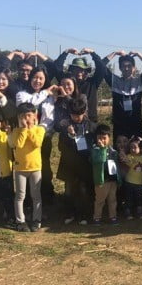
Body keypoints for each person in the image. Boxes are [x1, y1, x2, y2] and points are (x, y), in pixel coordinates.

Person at [16, 66, 56, 205]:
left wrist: (40, 131)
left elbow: (50, 118)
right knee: (27, 167)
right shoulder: (22, 94)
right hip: (25, 139)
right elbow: (29, 105)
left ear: (45, 80)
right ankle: (27, 200)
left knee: (44, 167)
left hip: (43, 137)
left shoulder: (50, 98)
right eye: (35, 77)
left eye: (41, 78)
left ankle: (46, 197)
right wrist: (45, 92)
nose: (37, 81)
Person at [56, 96, 96, 225]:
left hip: (85, 164)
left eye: (79, 115)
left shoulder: (91, 126)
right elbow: (60, 147)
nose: (76, 118)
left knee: (84, 190)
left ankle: (85, 215)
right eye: (73, 115)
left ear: (84, 112)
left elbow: (95, 144)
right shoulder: (65, 127)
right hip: (69, 164)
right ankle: (70, 213)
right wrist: (69, 135)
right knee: (69, 190)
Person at [9, 102, 45, 232]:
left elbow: (37, 143)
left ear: (35, 116)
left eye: (29, 115)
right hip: (20, 169)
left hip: (35, 167)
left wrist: (30, 130)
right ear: (19, 118)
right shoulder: (16, 131)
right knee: (20, 195)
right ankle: (21, 221)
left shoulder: (40, 129)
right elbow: (16, 145)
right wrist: (23, 130)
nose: (26, 119)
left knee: (36, 195)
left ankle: (37, 219)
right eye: (23, 116)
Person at [103, 50, 142, 140]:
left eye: (129, 66)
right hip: (119, 125)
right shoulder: (114, 81)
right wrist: (115, 53)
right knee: (120, 152)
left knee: (137, 151)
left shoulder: (139, 82)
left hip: (136, 124)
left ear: (134, 68)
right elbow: (101, 66)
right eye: (123, 66)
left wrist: (138, 54)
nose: (126, 68)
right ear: (120, 68)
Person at [51, 48, 105, 123]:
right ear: (71, 71)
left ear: (86, 72)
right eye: (76, 69)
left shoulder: (92, 83)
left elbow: (102, 68)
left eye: (82, 70)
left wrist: (92, 53)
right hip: (69, 121)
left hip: (89, 122)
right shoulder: (67, 82)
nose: (79, 72)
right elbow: (57, 68)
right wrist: (66, 52)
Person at [91, 124, 120, 225]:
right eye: (99, 138)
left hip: (112, 180)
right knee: (100, 200)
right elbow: (99, 160)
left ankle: (113, 216)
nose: (102, 140)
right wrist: (103, 149)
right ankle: (97, 217)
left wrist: (118, 178)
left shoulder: (113, 151)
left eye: (104, 138)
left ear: (109, 138)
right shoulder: (95, 150)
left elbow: (116, 166)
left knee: (112, 199)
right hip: (102, 181)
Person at [119, 136, 142, 219]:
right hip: (129, 181)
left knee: (139, 199)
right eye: (131, 147)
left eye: (135, 147)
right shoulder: (129, 156)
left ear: (141, 148)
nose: (132, 149)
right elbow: (127, 163)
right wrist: (123, 154)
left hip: (140, 182)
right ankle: (128, 213)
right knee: (128, 198)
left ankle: (139, 212)